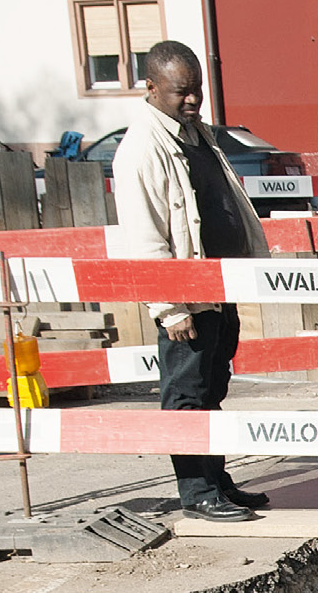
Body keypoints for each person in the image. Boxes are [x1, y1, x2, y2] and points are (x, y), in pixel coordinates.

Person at [112, 41, 269, 524]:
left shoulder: (195, 134)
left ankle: (216, 479)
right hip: (187, 300)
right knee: (186, 396)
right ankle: (197, 491)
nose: (193, 100)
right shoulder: (143, 147)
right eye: (182, 92)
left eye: (197, 89)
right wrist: (170, 306)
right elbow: (144, 238)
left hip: (218, 291)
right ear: (152, 88)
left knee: (213, 388)